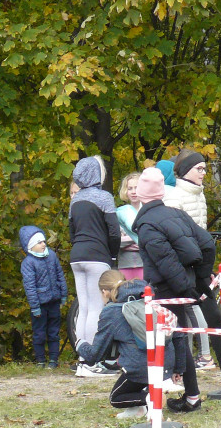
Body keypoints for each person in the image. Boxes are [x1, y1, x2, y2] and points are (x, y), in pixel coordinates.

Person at [132, 167, 221, 413]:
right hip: (180, 284)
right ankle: (189, 394)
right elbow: (207, 243)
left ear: (142, 195)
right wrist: (199, 281)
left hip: (167, 289)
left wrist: (191, 287)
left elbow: (166, 262)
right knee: (178, 337)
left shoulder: (146, 224)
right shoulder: (177, 214)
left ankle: (186, 396)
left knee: (172, 338)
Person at [76, 270, 158, 419]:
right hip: (161, 361)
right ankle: (138, 409)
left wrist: (80, 344)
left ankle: (151, 397)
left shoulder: (112, 311)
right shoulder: (145, 299)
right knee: (130, 386)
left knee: (116, 397)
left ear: (104, 292)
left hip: (138, 366)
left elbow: (95, 354)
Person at [68, 155, 120, 377]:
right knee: (96, 308)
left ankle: (82, 360)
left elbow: (72, 232)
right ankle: (91, 362)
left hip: (77, 255)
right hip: (96, 255)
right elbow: (114, 232)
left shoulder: (75, 200)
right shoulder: (104, 197)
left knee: (84, 308)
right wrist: (113, 255)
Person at [163, 149, 213, 369]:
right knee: (189, 307)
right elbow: (175, 233)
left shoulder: (198, 194)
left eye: (205, 168)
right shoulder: (174, 196)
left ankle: (203, 356)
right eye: (199, 168)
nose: (203, 173)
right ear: (185, 171)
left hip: (196, 259)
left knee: (194, 306)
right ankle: (192, 358)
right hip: (186, 260)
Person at [18, 225, 68, 369]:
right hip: (40, 305)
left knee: (54, 332)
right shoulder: (28, 263)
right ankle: (40, 360)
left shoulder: (51, 255)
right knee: (39, 333)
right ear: (31, 246)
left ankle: (53, 360)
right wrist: (34, 307)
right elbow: (30, 286)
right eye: (39, 242)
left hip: (54, 301)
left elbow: (60, 275)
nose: (43, 244)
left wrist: (63, 294)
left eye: (44, 241)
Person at [115, 172, 144, 280]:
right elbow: (116, 241)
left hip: (145, 264)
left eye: (136, 187)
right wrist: (138, 240)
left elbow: (149, 239)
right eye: (130, 188)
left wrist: (127, 239)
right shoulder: (120, 213)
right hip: (124, 264)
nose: (133, 192)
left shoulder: (147, 212)